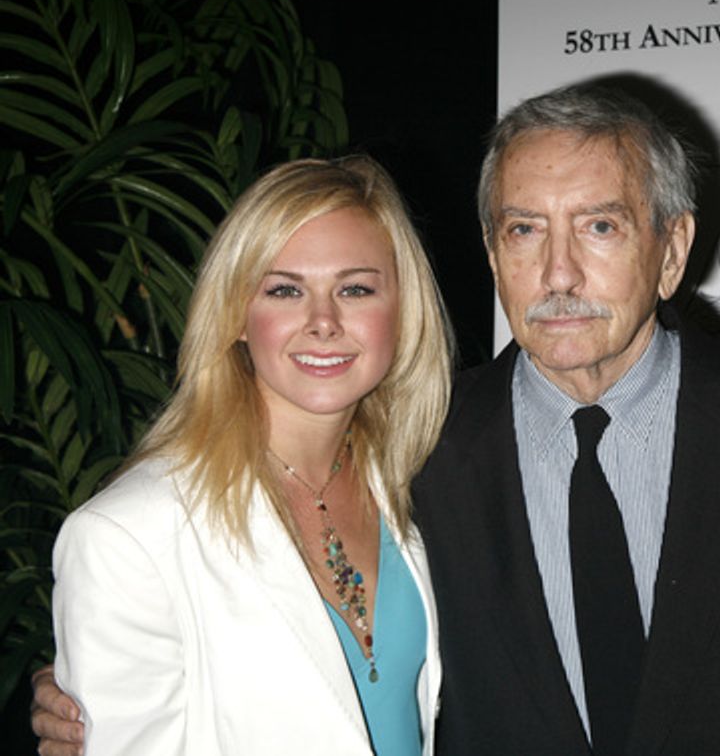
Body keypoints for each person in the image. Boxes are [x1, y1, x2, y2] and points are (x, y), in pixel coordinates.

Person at [410, 84, 720, 755]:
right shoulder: (416, 451)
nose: (558, 275)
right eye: (524, 230)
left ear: (672, 251)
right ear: (494, 257)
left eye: (599, 227)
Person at [38, 156, 453, 755]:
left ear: (402, 309)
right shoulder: (128, 537)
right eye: (285, 290)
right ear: (235, 313)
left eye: (355, 289)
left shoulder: (415, 482)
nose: (323, 322)